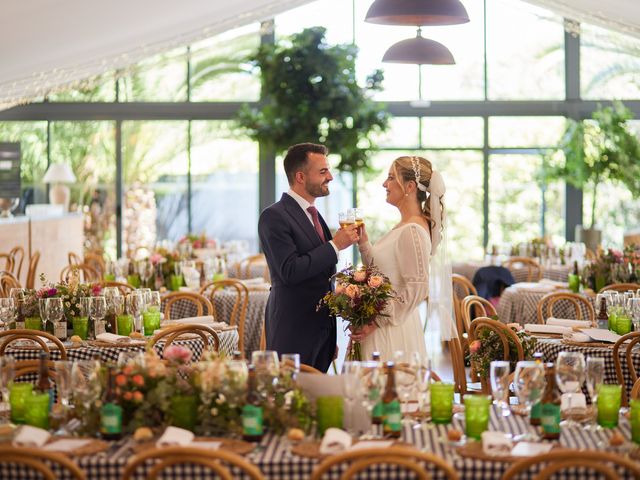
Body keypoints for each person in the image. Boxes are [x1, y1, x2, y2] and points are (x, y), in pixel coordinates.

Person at [258, 143, 360, 372]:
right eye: (323, 171)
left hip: (320, 333)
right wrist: (336, 245)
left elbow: (322, 276)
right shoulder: (273, 216)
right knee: (292, 402)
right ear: (301, 177)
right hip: (293, 329)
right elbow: (290, 271)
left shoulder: (314, 214)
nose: (330, 177)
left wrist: (328, 334)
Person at [350, 155, 453, 361]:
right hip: (385, 325)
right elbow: (383, 273)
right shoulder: (405, 226)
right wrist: (364, 244)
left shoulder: (412, 230)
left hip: (391, 330)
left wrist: (375, 322)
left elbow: (417, 287)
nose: (384, 184)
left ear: (410, 186)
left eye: (390, 178)